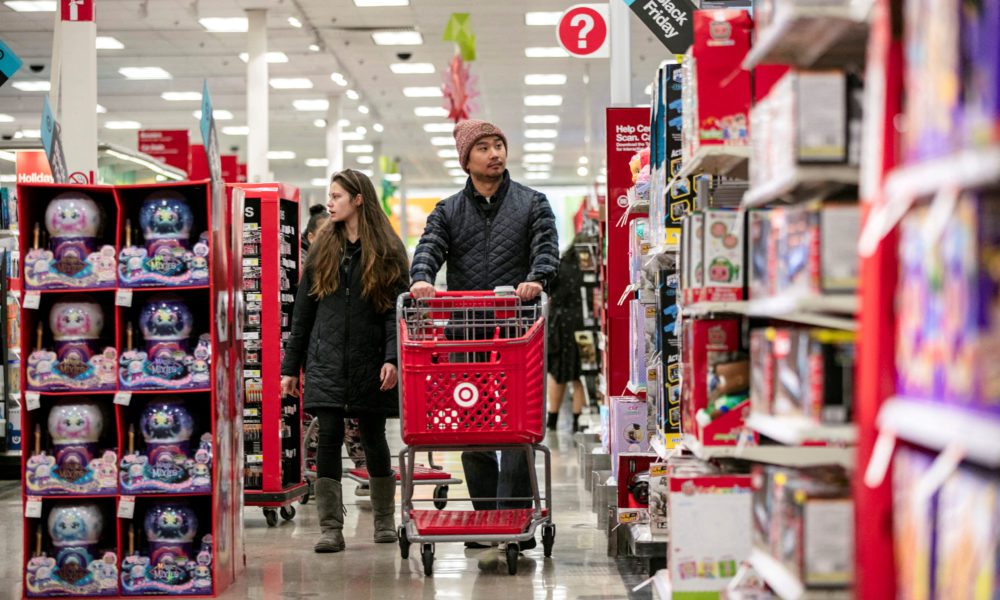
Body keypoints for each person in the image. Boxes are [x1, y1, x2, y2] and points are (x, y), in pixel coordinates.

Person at [410, 119, 559, 551]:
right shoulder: (448, 210)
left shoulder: (533, 203)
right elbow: (429, 247)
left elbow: (547, 249)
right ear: (467, 160)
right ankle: (484, 518)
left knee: (516, 425)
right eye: (485, 148)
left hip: (516, 333)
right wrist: (422, 278)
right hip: (466, 332)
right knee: (471, 423)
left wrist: (538, 278)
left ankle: (511, 516)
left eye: (499, 145)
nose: (495, 153)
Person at [281, 169, 409, 554]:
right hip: (327, 360)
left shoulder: (387, 250)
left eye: (337, 196)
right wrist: (290, 367)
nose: (330, 202)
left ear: (358, 199)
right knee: (328, 438)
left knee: (374, 438)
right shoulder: (322, 250)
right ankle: (330, 527)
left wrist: (393, 358)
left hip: (371, 360)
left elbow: (394, 314)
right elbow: (302, 313)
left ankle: (385, 521)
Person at [301, 205, 371, 497]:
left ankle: (362, 470)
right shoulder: (311, 263)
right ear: (312, 235)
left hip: (350, 360)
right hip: (320, 359)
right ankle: (314, 478)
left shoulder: (356, 256)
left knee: (355, 423)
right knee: (322, 428)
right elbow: (302, 317)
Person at [546, 240, 588, 433]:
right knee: (580, 374)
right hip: (584, 324)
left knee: (557, 372)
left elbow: (548, 290)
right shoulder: (589, 270)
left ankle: (552, 419)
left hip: (559, 326)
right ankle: (577, 420)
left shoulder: (559, 266)